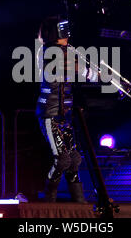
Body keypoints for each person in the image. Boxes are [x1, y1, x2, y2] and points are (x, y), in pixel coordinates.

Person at [35, 16, 98, 203]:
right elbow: (71, 67)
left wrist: (95, 73)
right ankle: (49, 198)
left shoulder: (66, 51)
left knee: (74, 159)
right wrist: (93, 73)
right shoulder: (48, 51)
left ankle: (79, 203)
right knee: (62, 159)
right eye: (63, 34)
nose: (67, 37)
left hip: (66, 115)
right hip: (50, 113)